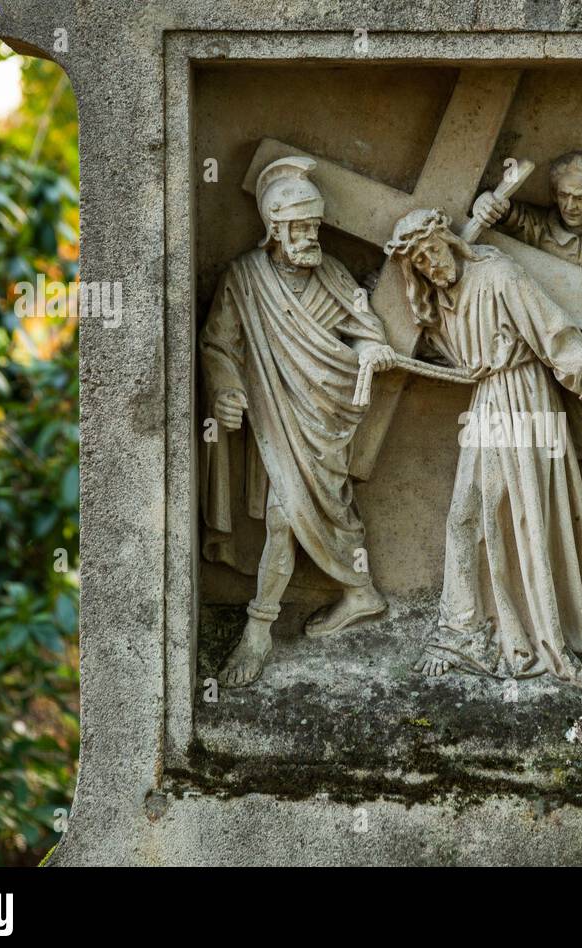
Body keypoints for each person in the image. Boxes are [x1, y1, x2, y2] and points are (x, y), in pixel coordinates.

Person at [384, 207, 582, 694]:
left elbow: (554, 337)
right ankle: (463, 630)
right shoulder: (443, 299)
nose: (431, 266)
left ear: (449, 241)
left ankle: (543, 631)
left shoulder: (500, 275)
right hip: (488, 404)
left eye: (433, 252)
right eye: (419, 263)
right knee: (465, 515)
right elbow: (458, 360)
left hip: (525, 400)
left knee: (525, 513)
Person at [200, 156, 393, 687]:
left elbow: (365, 327)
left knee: (328, 505)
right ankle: (259, 630)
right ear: (275, 228)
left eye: (315, 225)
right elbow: (219, 344)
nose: (312, 235)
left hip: (326, 417)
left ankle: (359, 591)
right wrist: (227, 389)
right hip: (276, 417)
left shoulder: (332, 273)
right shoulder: (244, 279)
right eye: (300, 227)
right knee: (285, 514)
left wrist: (373, 351)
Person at [470, 150, 582, 627]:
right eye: (564, 196)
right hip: (535, 373)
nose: (570, 206)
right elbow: (497, 219)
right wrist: (490, 202)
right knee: (535, 479)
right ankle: (550, 591)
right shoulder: (539, 226)